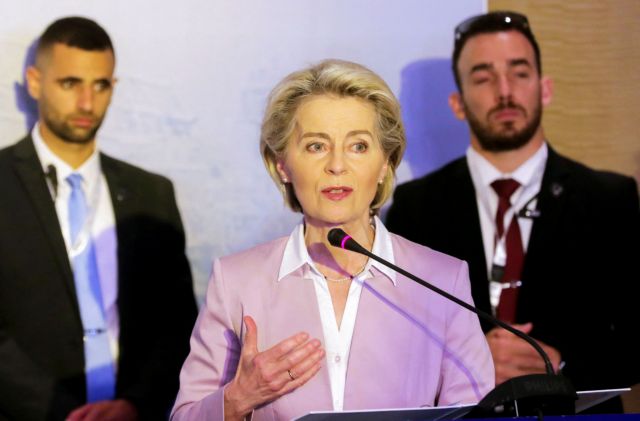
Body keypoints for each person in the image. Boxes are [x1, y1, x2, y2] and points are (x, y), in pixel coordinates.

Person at [170, 59, 494, 421]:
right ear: (282, 164)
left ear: (385, 162)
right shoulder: (237, 282)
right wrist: (238, 398)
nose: (337, 165)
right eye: (315, 146)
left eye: (358, 146)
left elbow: (476, 417)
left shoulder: (441, 281)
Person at [386, 10, 640, 413]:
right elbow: (397, 343)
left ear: (545, 89)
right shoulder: (414, 207)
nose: (504, 91)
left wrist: (559, 364)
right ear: (457, 103)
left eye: (519, 73)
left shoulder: (610, 198)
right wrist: (464, 359)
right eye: (483, 78)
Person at [0, 17, 198, 420]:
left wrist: (136, 404)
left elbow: (177, 322)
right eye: (70, 83)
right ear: (35, 82)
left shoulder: (152, 193)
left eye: (101, 85)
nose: (87, 103)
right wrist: (58, 411)